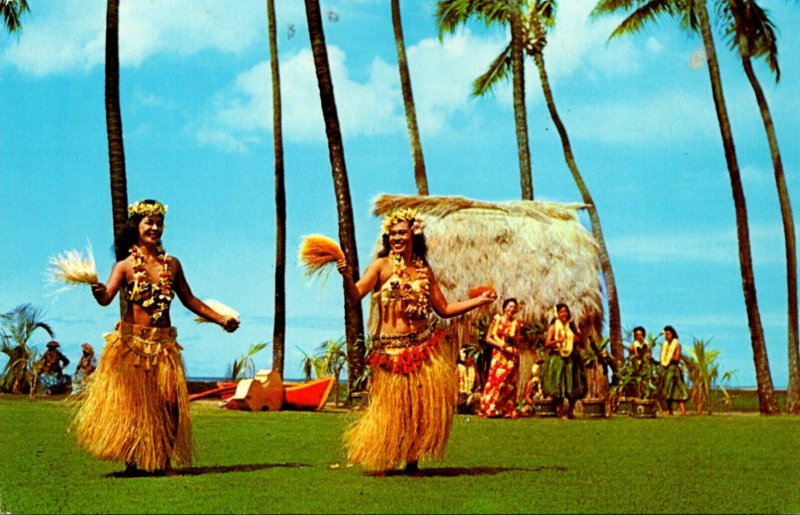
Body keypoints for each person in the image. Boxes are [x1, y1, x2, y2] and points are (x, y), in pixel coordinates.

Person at [73, 199, 240, 477]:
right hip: (131, 345)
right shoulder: (125, 266)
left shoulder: (172, 265)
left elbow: (190, 300)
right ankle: (132, 463)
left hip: (163, 345)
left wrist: (221, 319)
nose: (154, 228)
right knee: (133, 406)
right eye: (148, 222)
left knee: (171, 403)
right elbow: (106, 299)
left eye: (158, 223)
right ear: (136, 227)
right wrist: (98, 291)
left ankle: (163, 462)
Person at [336, 207, 496, 474]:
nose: (397, 238)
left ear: (413, 236)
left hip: (423, 346)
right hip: (391, 349)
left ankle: (412, 459)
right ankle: (386, 455)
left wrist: (479, 300)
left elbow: (443, 309)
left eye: (402, 233)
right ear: (388, 238)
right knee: (391, 409)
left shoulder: (423, 269)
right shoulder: (381, 266)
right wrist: (345, 276)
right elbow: (355, 296)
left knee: (419, 408)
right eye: (393, 234)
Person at [478, 298, 523, 419]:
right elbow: (488, 338)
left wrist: (514, 341)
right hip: (499, 354)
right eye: (509, 306)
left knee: (510, 384)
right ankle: (490, 407)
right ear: (504, 308)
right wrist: (500, 345)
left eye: (514, 307)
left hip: (511, 354)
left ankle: (505, 409)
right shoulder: (497, 320)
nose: (512, 309)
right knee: (497, 381)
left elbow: (518, 341)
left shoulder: (516, 324)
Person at [542, 303, 587, 419]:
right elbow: (547, 343)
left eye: (566, 312)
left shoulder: (571, 327)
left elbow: (581, 343)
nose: (564, 314)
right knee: (559, 385)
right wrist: (557, 341)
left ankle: (571, 412)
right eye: (561, 312)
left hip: (572, 359)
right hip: (558, 358)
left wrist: (578, 334)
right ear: (557, 314)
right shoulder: (553, 327)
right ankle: (560, 411)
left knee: (573, 385)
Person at [659, 325, 688, 416]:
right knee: (667, 390)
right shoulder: (665, 345)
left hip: (674, 369)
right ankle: (670, 411)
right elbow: (662, 357)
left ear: (673, 334)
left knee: (678, 390)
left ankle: (683, 412)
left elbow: (677, 358)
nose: (667, 336)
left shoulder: (677, 345)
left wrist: (670, 358)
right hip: (665, 369)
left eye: (669, 334)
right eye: (666, 334)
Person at [456, 350, 480, 415]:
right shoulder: (459, 368)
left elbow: (478, 385)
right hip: (461, 396)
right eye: (470, 357)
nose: (472, 359)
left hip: (470, 395)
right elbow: (455, 384)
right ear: (464, 358)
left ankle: (473, 409)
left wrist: (477, 389)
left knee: (477, 396)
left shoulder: (473, 368)